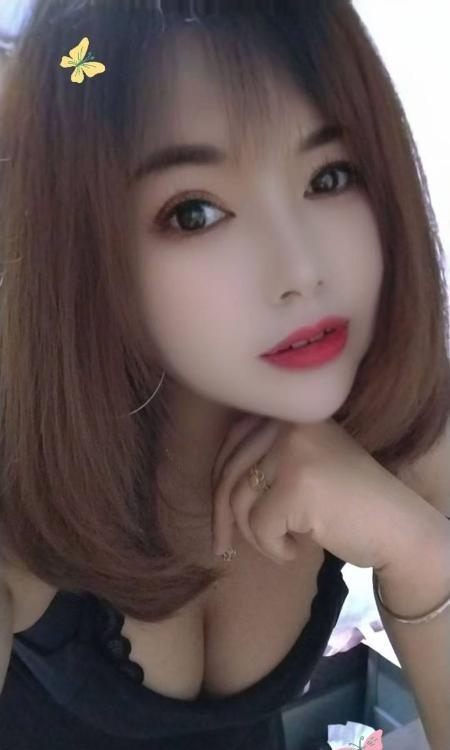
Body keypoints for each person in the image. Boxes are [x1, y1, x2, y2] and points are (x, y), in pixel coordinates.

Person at [0, 1, 449, 748]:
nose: (301, 270)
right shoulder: (21, 486)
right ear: (81, 246)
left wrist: (424, 556)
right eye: (195, 214)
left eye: (330, 176)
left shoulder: (400, 419)